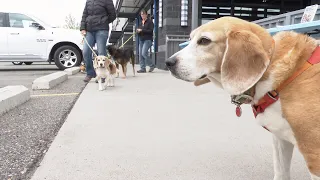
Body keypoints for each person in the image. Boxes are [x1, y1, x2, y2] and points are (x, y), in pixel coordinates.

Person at [80, 0, 116, 82]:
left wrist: (103, 21)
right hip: (89, 30)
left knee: (101, 52)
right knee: (86, 51)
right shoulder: (88, 1)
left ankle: (103, 75)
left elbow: (113, 15)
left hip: (102, 30)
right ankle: (90, 73)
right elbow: (84, 15)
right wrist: (82, 28)